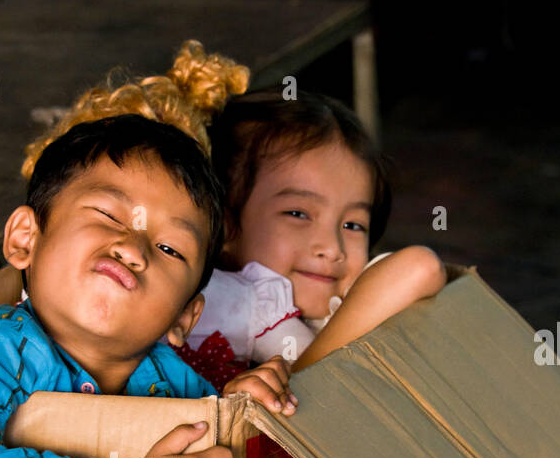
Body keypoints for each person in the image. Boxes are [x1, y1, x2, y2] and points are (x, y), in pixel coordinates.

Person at [0, 110, 296, 458]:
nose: (132, 248)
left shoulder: (179, 385)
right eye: (107, 214)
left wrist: (238, 410)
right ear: (26, 239)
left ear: (183, 319)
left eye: (169, 248)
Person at [178, 85, 448, 389]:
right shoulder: (181, 308)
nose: (332, 249)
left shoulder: (351, 310)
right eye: (298, 214)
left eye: (353, 225)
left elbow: (421, 267)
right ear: (223, 225)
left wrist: (300, 383)